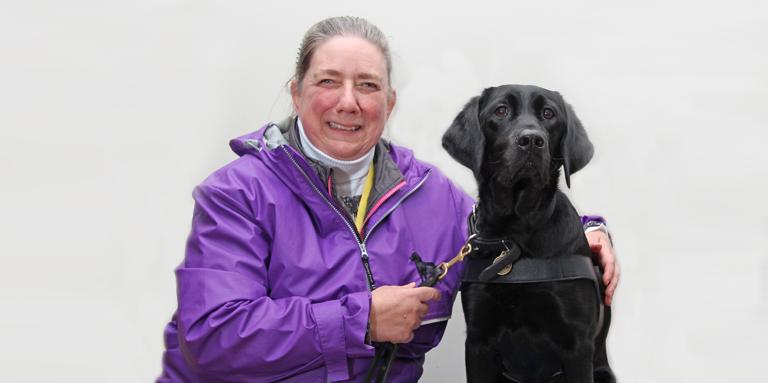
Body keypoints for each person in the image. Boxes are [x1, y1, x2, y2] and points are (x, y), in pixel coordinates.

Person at [157, 16, 619, 383]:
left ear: (390, 102)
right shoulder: (235, 195)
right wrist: (361, 321)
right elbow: (210, 337)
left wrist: (590, 231)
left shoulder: (432, 199)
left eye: (367, 85)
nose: (348, 102)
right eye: (327, 82)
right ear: (296, 93)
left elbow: (506, 225)